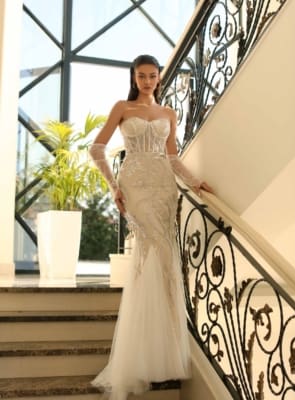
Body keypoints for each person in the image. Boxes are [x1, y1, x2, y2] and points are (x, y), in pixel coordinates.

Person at [89, 54, 213, 400]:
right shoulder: (122, 108)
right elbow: (96, 147)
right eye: (141, 76)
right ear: (134, 77)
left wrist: (196, 181)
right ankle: (138, 352)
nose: (146, 81)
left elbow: (171, 157)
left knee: (164, 255)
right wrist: (113, 185)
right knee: (149, 252)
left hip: (162, 186)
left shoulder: (168, 113)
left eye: (152, 76)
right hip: (134, 186)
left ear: (159, 78)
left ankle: (160, 347)